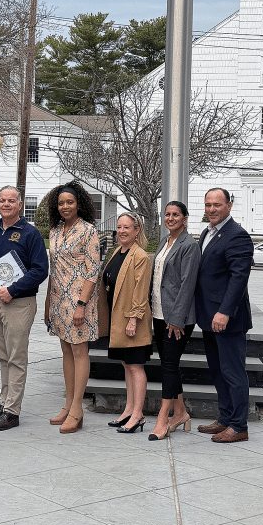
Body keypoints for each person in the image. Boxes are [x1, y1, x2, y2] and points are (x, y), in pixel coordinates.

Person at [0, 185, 49, 431]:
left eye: (11, 201)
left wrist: (13, 290)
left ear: (20, 205)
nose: (6, 204)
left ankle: (12, 412)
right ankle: (5, 402)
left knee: (16, 358)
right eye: (2, 200)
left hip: (19, 303)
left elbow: (40, 270)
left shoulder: (31, 234)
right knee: (3, 357)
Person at [195, 188, 254, 443]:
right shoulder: (207, 233)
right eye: (208, 204)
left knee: (233, 372)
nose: (211, 209)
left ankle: (239, 426)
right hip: (209, 317)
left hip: (227, 319)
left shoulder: (237, 236)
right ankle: (226, 418)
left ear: (229, 205)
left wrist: (224, 312)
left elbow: (239, 278)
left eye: (217, 205)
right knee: (218, 371)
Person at [44, 182, 100, 434]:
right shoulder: (55, 231)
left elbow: (93, 271)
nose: (65, 206)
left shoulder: (89, 231)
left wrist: (81, 305)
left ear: (80, 204)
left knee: (79, 352)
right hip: (58, 300)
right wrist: (48, 303)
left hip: (79, 302)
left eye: (70, 202)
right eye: (61, 203)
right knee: (66, 351)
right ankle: (68, 405)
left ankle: (77, 409)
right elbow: (53, 270)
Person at [148, 201, 201, 441]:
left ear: (185, 218)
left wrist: (177, 319)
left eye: (176, 215)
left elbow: (188, 284)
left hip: (177, 319)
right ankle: (181, 413)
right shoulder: (165, 241)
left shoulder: (189, 246)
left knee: (169, 366)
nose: (170, 218)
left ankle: (163, 417)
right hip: (159, 313)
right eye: (167, 214)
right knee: (170, 364)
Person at [98, 212, 152, 434]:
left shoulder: (140, 256)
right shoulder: (118, 252)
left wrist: (133, 319)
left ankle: (138, 415)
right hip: (117, 319)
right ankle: (129, 410)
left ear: (137, 231)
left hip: (132, 321)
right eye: (119, 227)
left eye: (126, 228)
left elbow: (141, 291)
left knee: (136, 366)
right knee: (126, 365)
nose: (121, 231)